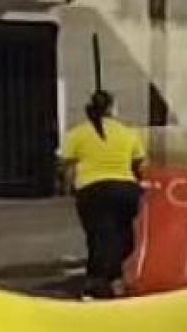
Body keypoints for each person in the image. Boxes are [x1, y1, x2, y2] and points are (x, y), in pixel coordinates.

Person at [58, 90, 146, 300]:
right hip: (125, 190)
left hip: (92, 190)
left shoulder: (77, 133)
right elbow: (138, 163)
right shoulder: (127, 132)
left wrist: (68, 189)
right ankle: (115, 279)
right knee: (123, 236)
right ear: (112, 108)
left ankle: (96, 284)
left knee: (98, 238)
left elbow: (66, 165)